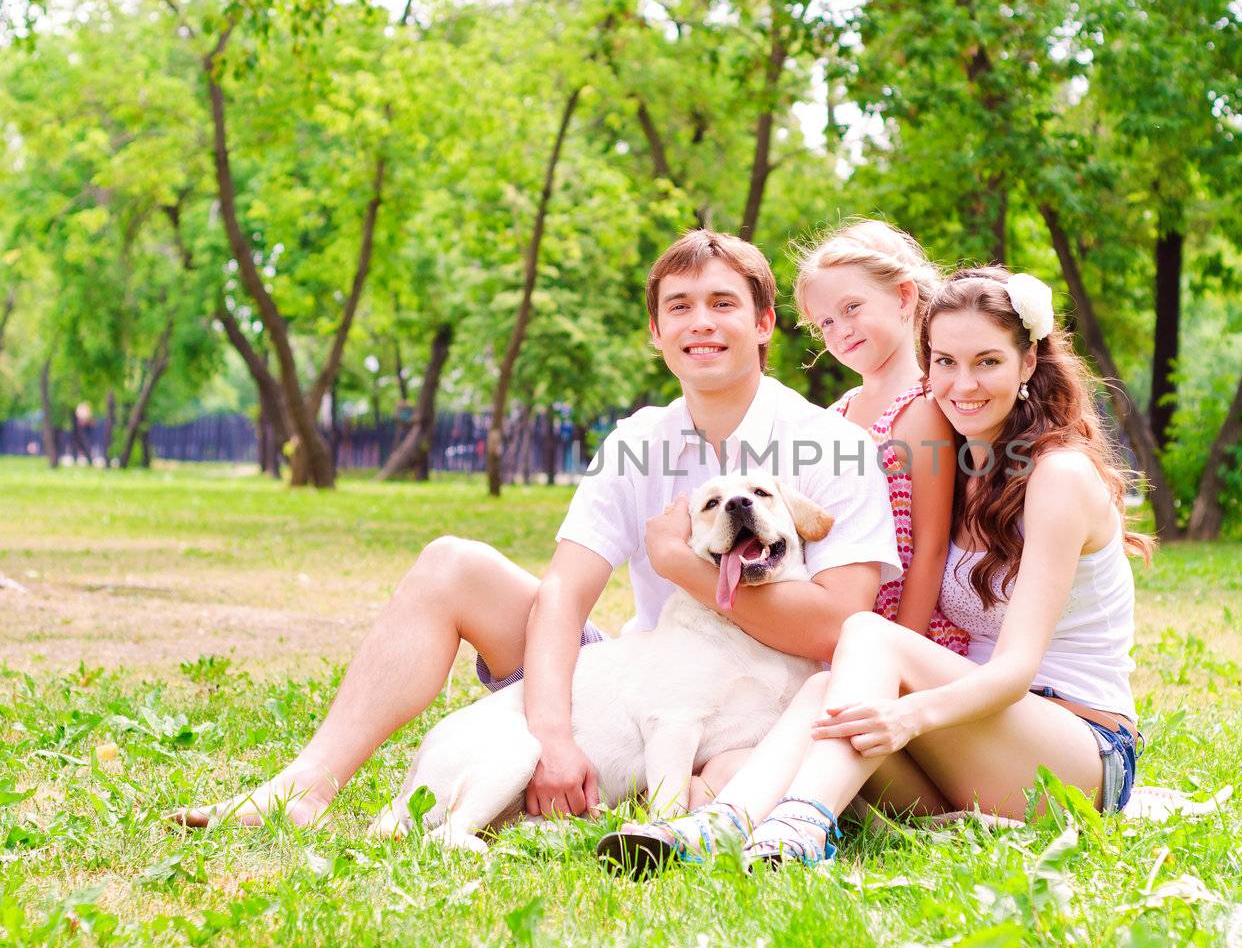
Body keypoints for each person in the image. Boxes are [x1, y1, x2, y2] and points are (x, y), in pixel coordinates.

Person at [172, 230, 900, 829]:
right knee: (451, 562)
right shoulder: (638, 440)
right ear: (655, 331)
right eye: (679, 306)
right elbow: (563, 592)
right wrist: (551, 733)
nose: (700, 322)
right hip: (642, 677)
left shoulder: (826, 443)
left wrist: (681, 564)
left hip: (743, 705)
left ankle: (677, 806)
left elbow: (840, 627)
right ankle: (305, 784)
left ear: (764, 322)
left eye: (722, 303)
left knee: (727, 776)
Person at [599, 265, 1151, 871]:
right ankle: (720, 825)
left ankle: (801, 826)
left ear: (1028, 363)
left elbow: (1016, 671)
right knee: (822, 690)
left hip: (1078, 753)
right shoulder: (961, 469)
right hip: (974, 744)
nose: (962, 383)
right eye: (943, 362)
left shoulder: (1059, 475)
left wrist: (905, 715)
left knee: (861, 633)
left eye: (987, 362)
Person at [793, 220, 968, 655]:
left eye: (852, 308)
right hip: (841, 620)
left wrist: (895, 654)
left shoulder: (923, 408)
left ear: (903, 297)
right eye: (826, 322)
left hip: (901, 630)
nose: (840, 331)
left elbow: (929, 551)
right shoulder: (840, 411)